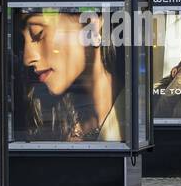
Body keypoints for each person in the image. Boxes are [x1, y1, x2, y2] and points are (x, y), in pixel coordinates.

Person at [18, 10, 124, 142]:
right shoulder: (46, 113)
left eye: (38, 33)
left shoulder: (132, 109)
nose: (28, 58)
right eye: (23, 41)